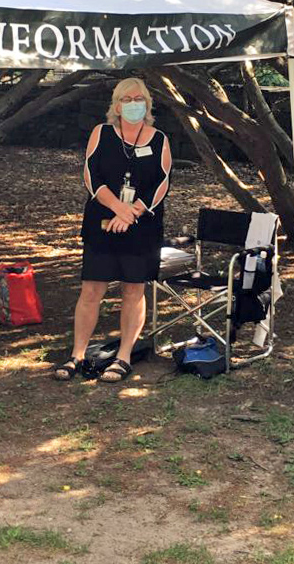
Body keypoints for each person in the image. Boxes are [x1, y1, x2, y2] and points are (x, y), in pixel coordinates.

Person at [54, 78, 173, 383]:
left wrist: (132, 212)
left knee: (133, 289)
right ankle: (77, 355)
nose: (134, 104)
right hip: (102, 222)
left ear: (147, 104)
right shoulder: (101, 133)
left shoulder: (159, 139)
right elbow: (91, 175)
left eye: (139, 99)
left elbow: (162, 182)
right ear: (117, 104)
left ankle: (123, 357)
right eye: (127, 99)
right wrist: (117, 208)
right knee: (92, 288)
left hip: (141, 225)